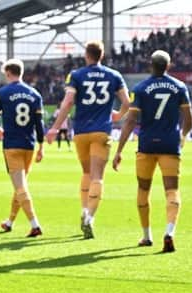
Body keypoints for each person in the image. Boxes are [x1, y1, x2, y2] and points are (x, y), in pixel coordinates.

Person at [112, 50, 192, 252]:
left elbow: (130, 121)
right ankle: (169, 231)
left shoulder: (140, 88)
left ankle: (146, 236)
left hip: (147, 145)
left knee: (143, 189)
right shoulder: (179, 87)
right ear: (169, 65)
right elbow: (189, 118)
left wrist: (119, 150)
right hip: (169, 145)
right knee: (172, 190)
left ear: (151, 65)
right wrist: (182, 136)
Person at [47, 41, 130, 239]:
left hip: (81, 132)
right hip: (102, 131)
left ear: (87, 55)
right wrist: (118, 115)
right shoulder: (114, 75)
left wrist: (55, 127)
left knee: (85, 172)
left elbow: (67, 102)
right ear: (101, 55)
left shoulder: (76, 75)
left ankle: (84, 210)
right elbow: (127, 102)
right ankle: (90, 217)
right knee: (97, 177)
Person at [0, 58, 45, 237]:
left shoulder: (2, 93)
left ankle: (35, 224)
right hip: (29, 145)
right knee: (20, 186)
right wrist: (41, 146)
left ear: (8, 73)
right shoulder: (35, 94)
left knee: (20, 186)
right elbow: (39, 124)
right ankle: (10, 221)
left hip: (11, 145)